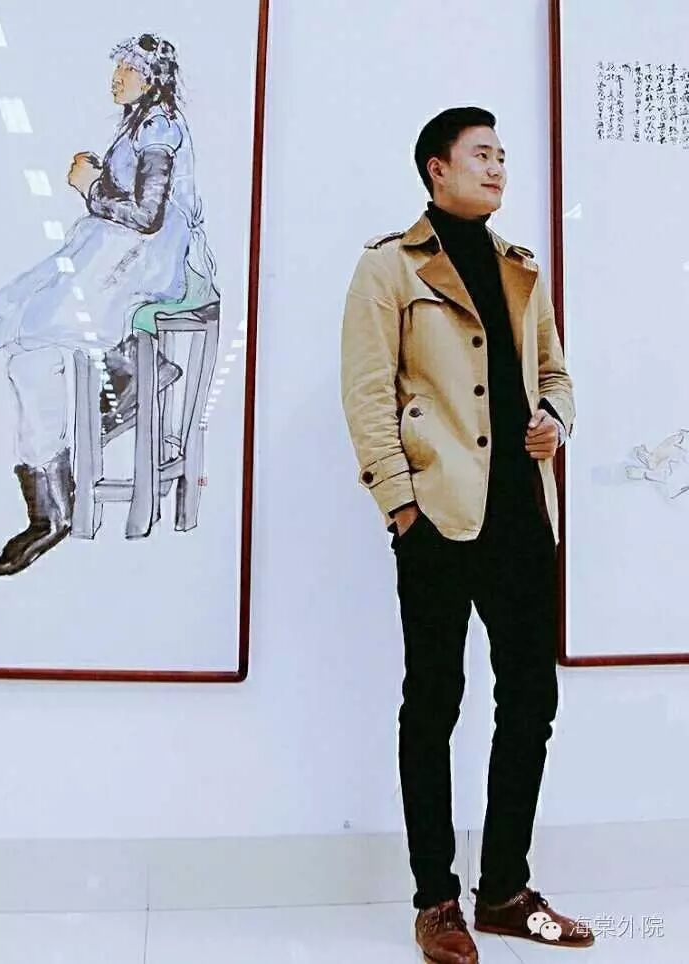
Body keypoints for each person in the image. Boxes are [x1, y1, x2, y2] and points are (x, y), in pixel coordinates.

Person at [341, 107, 593, 963]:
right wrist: (399, 506)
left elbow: (555, 372)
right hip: (439, 518)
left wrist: (554, 418)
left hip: (523, 515)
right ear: (436, 168)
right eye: (482, 155)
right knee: (434, 703)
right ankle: (436, 901)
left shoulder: (521, 267)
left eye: (502, 156)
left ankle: (505, 891)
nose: (497, 168)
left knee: (531, 700)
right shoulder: (388, 267)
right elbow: (367, 392)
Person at [0, 33, 216, 577]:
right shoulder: (139, 124)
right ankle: (52, 504)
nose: (117, 78)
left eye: (128, 70)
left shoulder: (159, 128)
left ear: (151, 79)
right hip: (113, 250)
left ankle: (54, 507)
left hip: (142, 259)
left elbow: (148, 215)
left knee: (39, 333)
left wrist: (90, 188)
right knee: (27, 352)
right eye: (118, 69)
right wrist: (101, 177)